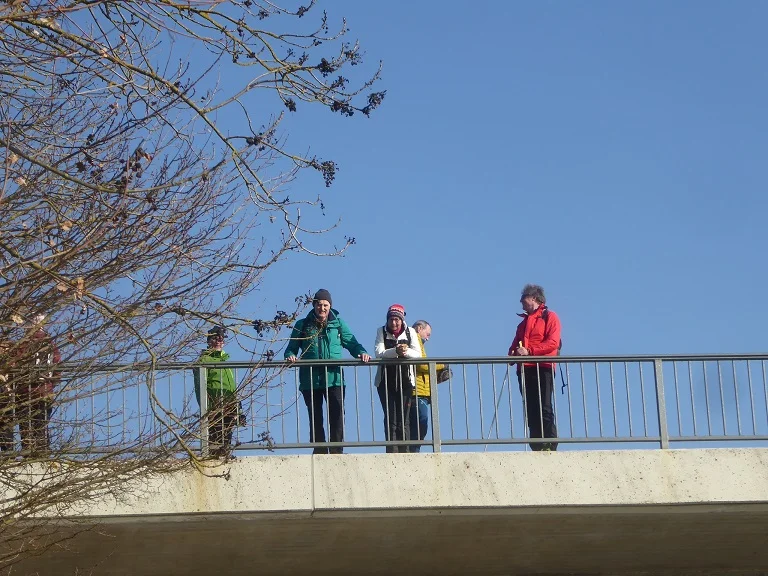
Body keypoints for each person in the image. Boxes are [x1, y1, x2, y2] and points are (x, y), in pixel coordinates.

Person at [285, 289, 370, 454]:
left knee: (337, 415)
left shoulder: (337, 323)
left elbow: (351, 343)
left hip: (334, 377)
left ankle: (337, 451)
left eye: (325, 305)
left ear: (330, 306)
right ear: (314, 305)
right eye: (319, 304)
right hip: (310, 378)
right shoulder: (302, 325)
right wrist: (290, 356)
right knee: (315, 417)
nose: (322, 308)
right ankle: (320, 451)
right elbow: (291, 348)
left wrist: (361, 352)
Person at [508, 284, 561, 451]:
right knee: (530, 407)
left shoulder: (550, 317)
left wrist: (529, 351)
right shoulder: (522, 324)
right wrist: (513, 355)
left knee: (544, 405)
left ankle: (550, 443)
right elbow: (515, 345)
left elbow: (552, 343)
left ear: (534, 298)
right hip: (525, 369)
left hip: (543, 366)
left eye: (524, 298)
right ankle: (536, 445)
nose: (521, 302)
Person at [374, 304, 421, 453]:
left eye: (397, 320)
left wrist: (405, 351)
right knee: (391, 417)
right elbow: (379, 353)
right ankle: (392, 451)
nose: (394, 323)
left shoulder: (411, 332)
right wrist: (396, 350)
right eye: (391, 320)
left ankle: (404, 451)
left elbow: (418, 354)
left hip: (406, 381)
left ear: (402, 320)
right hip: (385, 381)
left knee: (404, 418)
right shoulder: (381, 331)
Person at [15, 314, 61, 455]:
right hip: (44, 390)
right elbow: (57, 365)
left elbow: (15, 363)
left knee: (25, 423)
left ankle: (28, 451)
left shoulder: (23, 344)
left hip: (25, 391)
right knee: (41, 422)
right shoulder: (50, 344)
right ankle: (42, 451)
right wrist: (52, 383)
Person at [193, 325, 242, 458]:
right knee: (215, 435)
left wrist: (238, 409)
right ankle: (214, 458)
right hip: (214, 404)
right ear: (209, 341)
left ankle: (224, 455)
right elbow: (199, 386)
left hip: (229, 403)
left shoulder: (226, 360)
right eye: (216, 338)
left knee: (227, 435)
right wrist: (206, 407)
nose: (219, 341)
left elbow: (232, 387)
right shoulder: (204, 360)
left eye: (221, 338)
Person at [408, 320, 448, 453]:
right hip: (417, 391)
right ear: (420, 328)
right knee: (421, 422)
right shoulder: (414, 339)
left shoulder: (417, 342)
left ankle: (413, 450)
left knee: (419, 424)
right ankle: (413, 451)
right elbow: (422, 364)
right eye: (428, 334)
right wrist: (442, 365)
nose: (428, 338)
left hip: (421, 391)